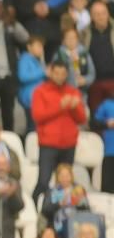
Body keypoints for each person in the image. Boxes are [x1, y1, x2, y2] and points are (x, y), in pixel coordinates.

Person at [31, 62, 86, 202]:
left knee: (65, 184)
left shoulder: (73, 91)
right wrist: (60, 106)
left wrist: (74, 107)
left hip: (68, 144)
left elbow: (82, 119)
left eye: (63, 74)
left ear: (67, 74)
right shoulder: (40, 91)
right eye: (57, 73)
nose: (60, 77)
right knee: (43, 181)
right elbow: (38, 116)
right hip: (48, 144)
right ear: (50, 73)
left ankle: (60, 212)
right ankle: (36, 210)